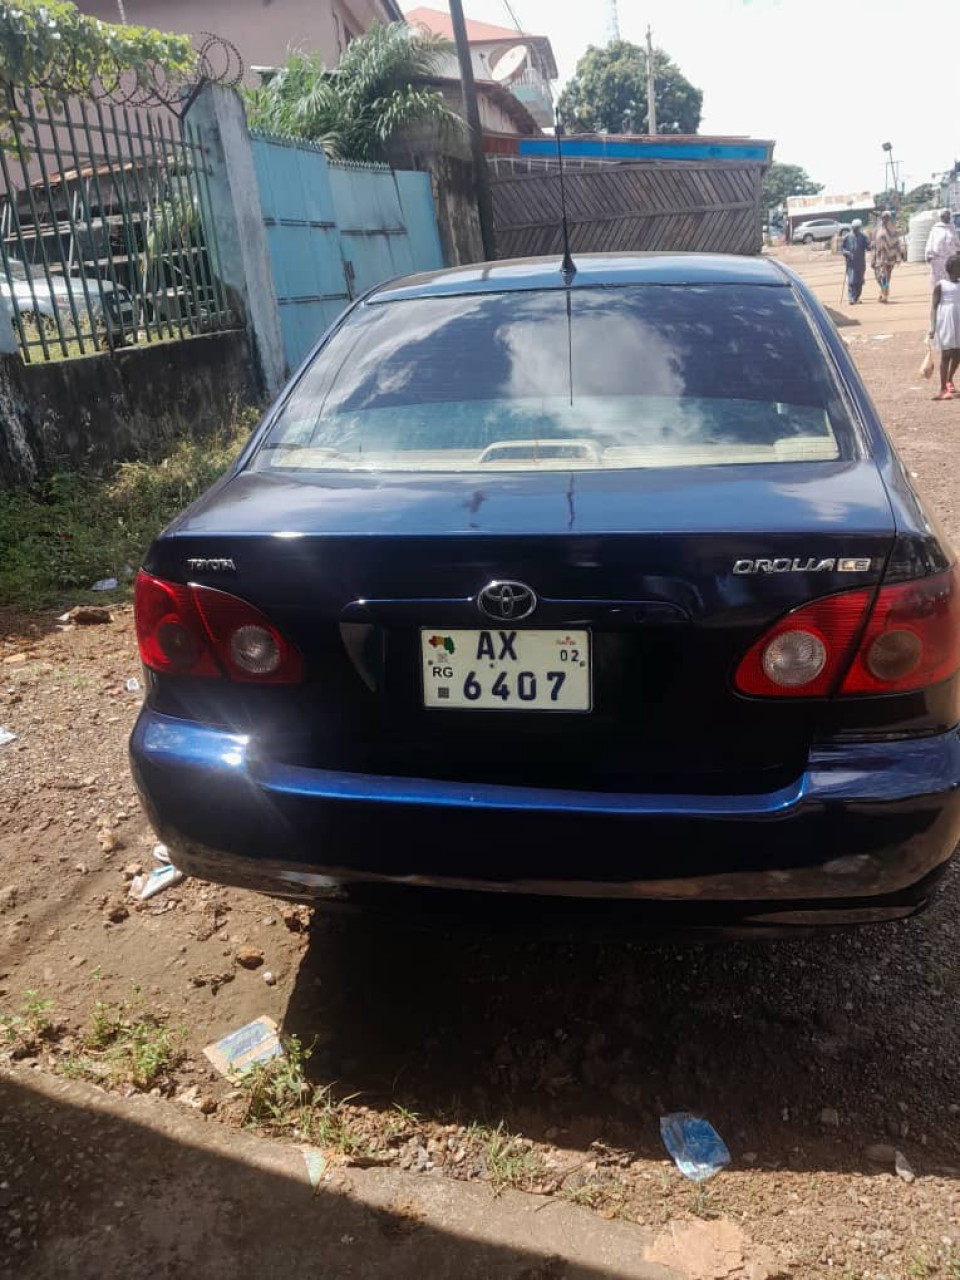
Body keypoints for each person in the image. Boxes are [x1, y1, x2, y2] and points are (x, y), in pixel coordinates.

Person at [928, 252, 960, 401]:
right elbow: (934, 307)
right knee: (946, 354)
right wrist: (933, 328)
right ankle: (942, 389)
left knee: (957, 354)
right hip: (946, 322)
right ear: (951, 268)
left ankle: (949, 378)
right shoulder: (941, 285)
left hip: (958, 321)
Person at [924, 209, 960, 289]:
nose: (945, 218)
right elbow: (930, 242)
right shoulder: (936, 229)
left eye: (947, 216)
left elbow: (957, 242)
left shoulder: (952, 228)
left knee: (951, 279)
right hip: (938, 259)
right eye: (943, 216)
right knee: (938, 281)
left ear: (949, 217)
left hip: (951, 260)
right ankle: (939, 296)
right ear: (941, 217)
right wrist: (928, 254)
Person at [872, 210, 902, 304]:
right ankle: (883, 290)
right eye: (883, 217)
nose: (885, 219)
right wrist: (873, 257)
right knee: (878, 277)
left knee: (885, 277)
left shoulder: (893, 231)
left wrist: (898, 257)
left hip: (889, 259)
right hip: (879, 258)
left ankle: (884, 294)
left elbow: (897, 245)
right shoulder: (876, 230)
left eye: (887, 217)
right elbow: (873, 244)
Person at [841, 219, 869, 303]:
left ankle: (856, 298)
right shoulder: (847, 236)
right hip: (851, 263)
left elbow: (868, 247)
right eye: (854, 227)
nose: (855, 229)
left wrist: (872, 244)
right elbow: (842, 249)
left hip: (860, 263)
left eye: (857, 228)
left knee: (860, 281)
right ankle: (851, 298)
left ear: (859, 228)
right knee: (852, 280)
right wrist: (846, 253)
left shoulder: (863, 237)